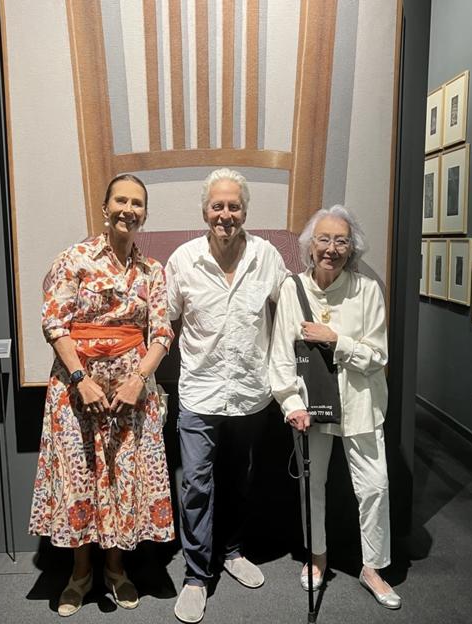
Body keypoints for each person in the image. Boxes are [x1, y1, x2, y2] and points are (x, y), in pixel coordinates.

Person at [29, 174, 175, 617]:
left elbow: (162, 331)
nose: (128, 209)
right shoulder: (73, 259)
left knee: (123, 478)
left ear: (145, 214)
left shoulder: (153, 271)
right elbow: (54, 323)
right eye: (121, 201)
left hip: (131, 392)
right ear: (105, 206)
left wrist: (139, 381)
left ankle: (116, 568)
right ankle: (79, 573)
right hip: (77, 391)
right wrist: (81, 379)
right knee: (81, 478)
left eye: (137, 203)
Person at [166, 168, 288, 623]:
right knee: (196, 483)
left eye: (233, 205)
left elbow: (289, 309)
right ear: (205, 211)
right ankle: (197, 576)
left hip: (250, 393)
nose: (225, 214)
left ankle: (233, 552)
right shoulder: (182, 260)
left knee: (240, 478)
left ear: (244, 210)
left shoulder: (267, 256)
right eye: (217, 206)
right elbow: (165, 321)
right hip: (199, 392)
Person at [269, 205, 402, 610]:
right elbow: (279, 357)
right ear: (310, 247)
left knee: (375, 486)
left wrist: (335, 340)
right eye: (323, 240)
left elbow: (377, 356)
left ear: (351, 248)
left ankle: (373, 567)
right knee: (313, 485)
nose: (331, 249)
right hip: (313, 406)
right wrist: (290, 403)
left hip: (361, 404)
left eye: (340, 241)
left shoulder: (367, 290)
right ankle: (317, 557)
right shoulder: (292, 289)